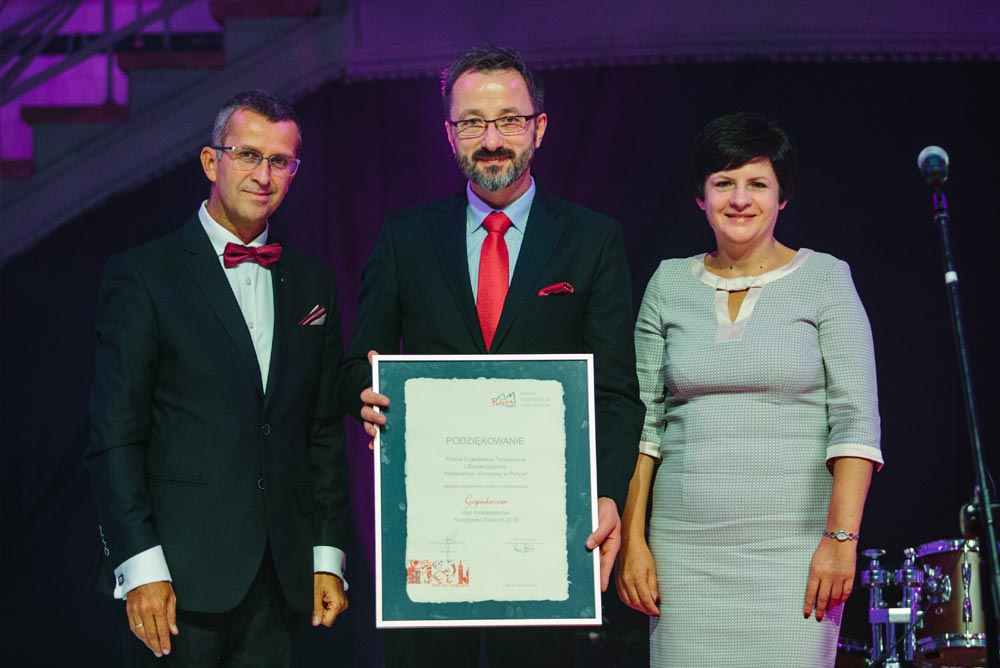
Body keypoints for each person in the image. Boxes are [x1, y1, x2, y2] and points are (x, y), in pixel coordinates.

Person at [338, 46, 644, 667]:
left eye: (509, 120)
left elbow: (615, 393)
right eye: (473, 122)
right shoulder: (405, 237)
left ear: (540, 127)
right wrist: (362, 396)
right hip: (433, 534)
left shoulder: (592, 239)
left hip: (543, 537)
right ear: (449, 134)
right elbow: (354, 369)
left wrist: (608, 494)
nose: (493, 139)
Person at [84, 90, 350, 667]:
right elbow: (114, 437)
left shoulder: (314, 282)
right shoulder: (144, 275)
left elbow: (323, 431)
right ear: (212, 161)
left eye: (280, 161)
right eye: (248, 155)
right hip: (173, 582)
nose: (264, 175)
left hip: (280, 581)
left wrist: (327, 554)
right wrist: (140, 566)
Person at [615, 112, 883, 667]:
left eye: (757, 183)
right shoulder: (668, 283)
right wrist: (633, 542)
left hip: (796, 554)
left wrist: (840, 540)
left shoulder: (826, 279)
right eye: (724, 183)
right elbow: (644, 426)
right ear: (701, 196)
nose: (740, 199)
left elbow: (856, 422)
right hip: (682, 555)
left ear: (782, 196)